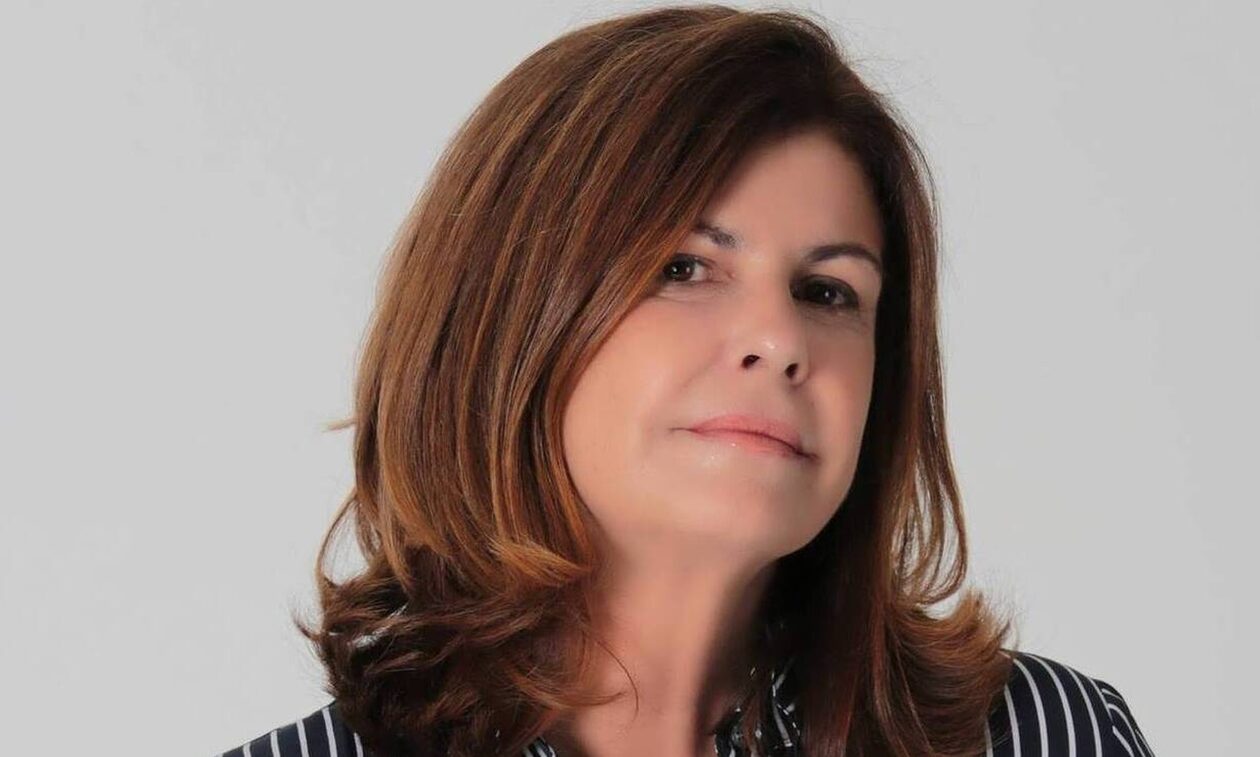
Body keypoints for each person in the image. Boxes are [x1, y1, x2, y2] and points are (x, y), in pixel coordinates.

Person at [217, 5, 1153, 756]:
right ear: (506, 317)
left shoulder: (1047, 737)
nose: (780, 339)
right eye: (685, 267)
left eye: (829, 291)